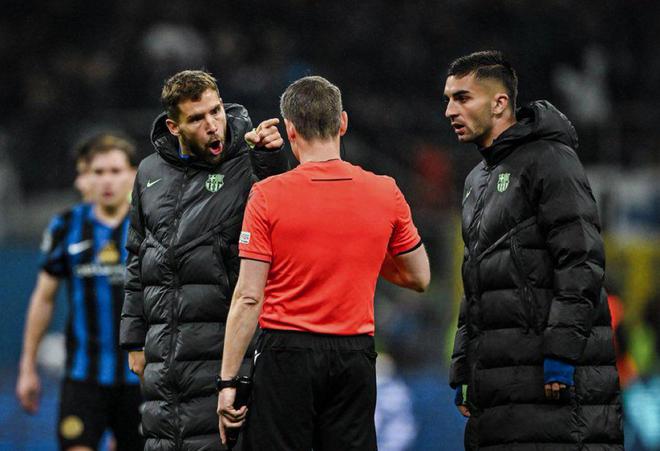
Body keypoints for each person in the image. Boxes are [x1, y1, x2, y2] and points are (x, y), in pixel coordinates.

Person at [217, 75, 431, 451]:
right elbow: (420, 276)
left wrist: (227, 383)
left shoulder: (266, 195)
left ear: (290, 129)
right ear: (343, 122)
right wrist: (361, 245)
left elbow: (248, 297)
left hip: (286, 353)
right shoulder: (385, 191)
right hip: (354, 355)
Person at [444, 50, 623, 449]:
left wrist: (560, 355)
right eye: (448, 99)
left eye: (462, 98)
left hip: (552, 384)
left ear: (499, 103)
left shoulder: (551, 160)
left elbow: (580, 261)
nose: (450, 111)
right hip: (498, 389)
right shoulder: (476, 180)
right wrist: (466, 369)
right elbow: (476, 281)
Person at [119, 70, 288, 451]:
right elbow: (136, 255)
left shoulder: (249, 162)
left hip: (225, 350)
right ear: (173, 126)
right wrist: (133, 338)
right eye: (197, 118)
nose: (212, 125)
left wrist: (271, 160)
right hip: (163, 353)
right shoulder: (148, 173)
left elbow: (285, 218)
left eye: (216, 111)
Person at [16, 133, 143, 451]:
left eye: (115, 171)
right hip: (83, 375)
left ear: (132, 174)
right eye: (98, 172)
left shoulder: (151, 226)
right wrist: (28, 367)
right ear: (86, 177)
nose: (107, 180)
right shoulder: (66, 226)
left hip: (140, 377)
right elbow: (43, 298)